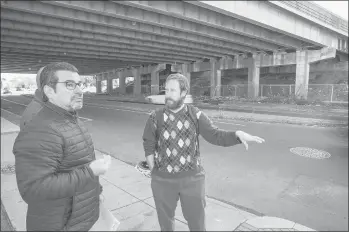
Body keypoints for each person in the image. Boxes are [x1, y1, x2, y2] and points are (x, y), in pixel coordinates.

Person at [142, 73, 265, 231]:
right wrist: (154, 173)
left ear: (183, 93)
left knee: (197, 222)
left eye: (173, 90)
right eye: (166, 90)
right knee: (165, 223)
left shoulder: (196, 115)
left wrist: (237, 136)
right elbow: (149, 144)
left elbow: (216, 136)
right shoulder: (155, 117)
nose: (168, 95)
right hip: (163, 181)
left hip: (192, 180)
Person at [13, 62, 111, 231]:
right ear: (49, 91)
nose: (80, 91)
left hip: (76, 221)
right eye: (70, 85)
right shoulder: (40, 130)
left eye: (79, 84)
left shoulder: (71, 119)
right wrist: (91, 172)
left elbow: (78, 163)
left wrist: (96, 192)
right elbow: (33, 189)